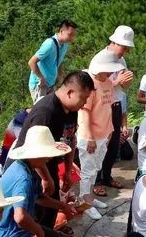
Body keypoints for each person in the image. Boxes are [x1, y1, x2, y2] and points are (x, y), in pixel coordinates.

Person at [9, 71, 94, 228]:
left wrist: (67, 171)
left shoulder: (71, 110)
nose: (85, 103)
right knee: (36, 213)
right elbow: (33, 152)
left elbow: (70, 138)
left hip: (48, 165)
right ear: (70, 92)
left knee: (50, 211)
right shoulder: (45, 112)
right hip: (31, 169)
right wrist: (46, 178)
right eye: (83, 98)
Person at [78, 50, 122, 220]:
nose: (111, 73)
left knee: (96, 168)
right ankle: (85, 202)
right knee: (87, 171)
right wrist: (89, 137)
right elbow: (84, 111)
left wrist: (110, 130)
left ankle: (90, 198)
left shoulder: (109, 83)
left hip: (104, 134)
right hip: (89, 136)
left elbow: (108, 108)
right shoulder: (90, 84)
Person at [93, 26, 135, 192]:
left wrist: (125, 82)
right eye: (123, 47)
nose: (124, 51)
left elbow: (122, 87)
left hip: (116, 103)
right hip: (102, 105)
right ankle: (96, 181)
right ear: (114, 42)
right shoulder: (100, 59)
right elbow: (95, 84)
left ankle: (107, 176)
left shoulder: (121, 60)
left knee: (113, 144)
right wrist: (117, 82)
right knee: (101, 143)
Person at [28, 19, 78, 103]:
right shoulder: (49, 44)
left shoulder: (65, 45)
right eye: (70, 35)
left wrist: (59, 76)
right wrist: (41, 78)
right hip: (40, 85)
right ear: (61, 31)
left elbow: (59, 61)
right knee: (42, 112)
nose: (72, 38)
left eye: (73, 35)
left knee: (52, 111)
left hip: (51, 84)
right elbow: (31, 62)